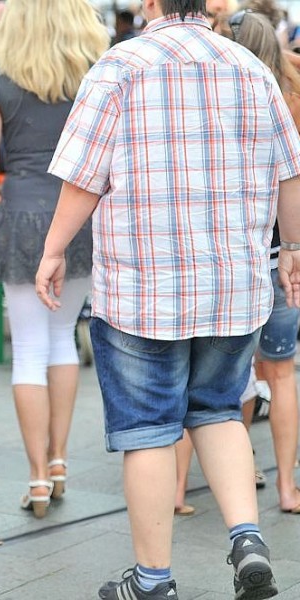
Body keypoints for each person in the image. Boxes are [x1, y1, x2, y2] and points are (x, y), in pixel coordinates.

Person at [36, 0, 300, 598]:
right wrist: (292, 250)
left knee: (149, 429)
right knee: (219, 411)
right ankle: (246, 538)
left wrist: (53, 251)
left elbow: (83, 174)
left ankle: (153, 580)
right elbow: (291, 169)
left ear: (150, 5)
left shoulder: (120, 66)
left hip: (140, 286)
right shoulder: (251, 68)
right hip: (232, 284)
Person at [0, 0, 107, 519]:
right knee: (62, 339)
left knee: (28, 350)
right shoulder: (96, 70)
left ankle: (38, 478)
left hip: (21, 213)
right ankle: (61, 458)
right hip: (83, 214)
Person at [217, 8, 300, 515]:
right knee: (283, 374)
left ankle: (241, 468)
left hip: (236, 258)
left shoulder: (225, 97)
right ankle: (288, 486)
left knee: (232, 377)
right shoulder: (290, 98)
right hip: (283, 252)